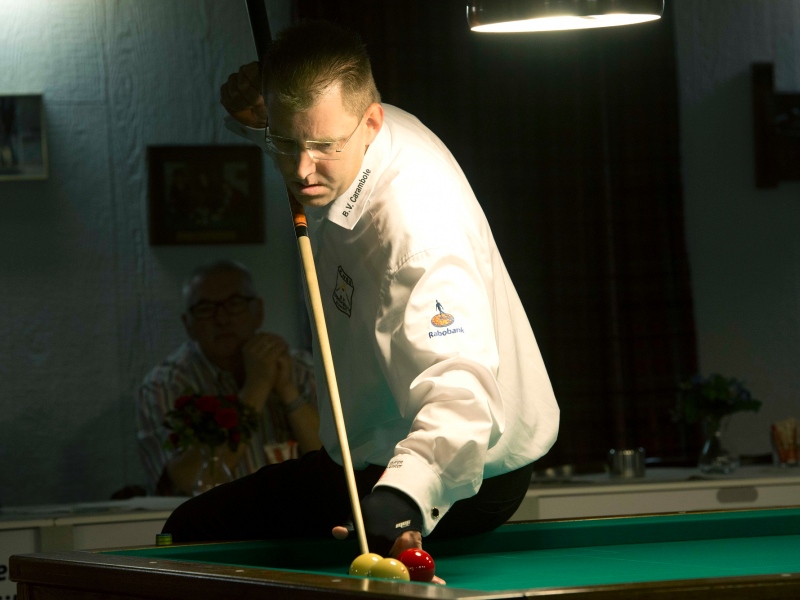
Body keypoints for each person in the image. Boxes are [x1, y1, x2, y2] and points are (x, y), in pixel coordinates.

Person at [163, 21, 559, 568]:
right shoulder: (348, 133)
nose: (302, 169)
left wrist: (403, 497)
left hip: (463, 475)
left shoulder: (417, 232)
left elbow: (461, 390)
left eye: (323, 147)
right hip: (370, 453)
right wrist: (263, 120)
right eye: (285, 143)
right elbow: (307, 134)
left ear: (371, 121)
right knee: (196, 524)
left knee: (193, 528)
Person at [137, 259, 322, 496]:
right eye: (205, 309)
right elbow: (185, 484)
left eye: (235, 304)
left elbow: (335, 464)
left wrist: (287, 390)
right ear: (188, 324)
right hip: (218, 517)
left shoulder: (301, 368)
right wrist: (255, 388)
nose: (222, 319)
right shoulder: (165, 385)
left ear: (258, 312)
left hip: (302, 512)